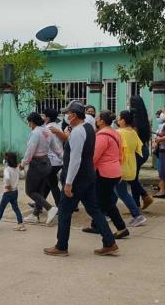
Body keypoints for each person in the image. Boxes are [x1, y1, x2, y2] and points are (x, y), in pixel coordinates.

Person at [44, 101, 118, 257]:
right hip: (88, 175)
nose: (66, 116)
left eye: (68, 113)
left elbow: (75, 159)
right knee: (94, 209)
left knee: (64, 212)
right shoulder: (88, 127)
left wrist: (68, 183)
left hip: (77, 179)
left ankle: (61, 246)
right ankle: (109, 242)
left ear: (74, 115)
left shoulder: (78, 132)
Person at [82, 111, 129, 239]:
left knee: (104, 202)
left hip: (104, 172)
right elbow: (120, 154)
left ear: (102, 121)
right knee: (103, 200)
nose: (96, 120)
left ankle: (121, 227)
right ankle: (97, 225)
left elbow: (94, 157)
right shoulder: (115, 133)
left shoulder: (102, 136)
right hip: (114, 171)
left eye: (97, 118)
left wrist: (85, 170)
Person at [21, 112, 62, 225]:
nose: (29, 125)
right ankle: (35, 214)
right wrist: (64, 159)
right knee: (40, 190)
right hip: (46, 163)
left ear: (32, 122)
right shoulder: (47, 132)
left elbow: (30, 150)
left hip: (36, 163)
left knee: (30, 191)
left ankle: (50, 208)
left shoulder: (35, 133)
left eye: (29, 123)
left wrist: (23, 163)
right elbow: (57, 149)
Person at [116, 110, 148, 229]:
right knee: (116, 191)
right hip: (130, 165)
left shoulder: (119, 133)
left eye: (119, 118)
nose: (118, 120)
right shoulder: (133, 132)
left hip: (121, 166)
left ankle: (137, 215)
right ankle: (107, 212)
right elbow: (139, 148)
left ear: (123, 120)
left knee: (121, 192)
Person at [0, 152, 25, 231]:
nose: (4, 160)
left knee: (1, 208)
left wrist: (8, 185)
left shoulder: (7, 170)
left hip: (8, 192)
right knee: (15, 208)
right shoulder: (17, 168)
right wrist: (22, 168)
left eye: (5, 158)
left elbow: (7, 178)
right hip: (15, 192)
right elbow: (23, 175)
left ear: (7, 160)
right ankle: (20, 224)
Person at [128, 96, 153, 210]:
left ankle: (145, 196)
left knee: (131, 178)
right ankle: (136, 204)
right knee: (134, 177)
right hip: (144, 150)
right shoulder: (143, 119)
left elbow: (133, 137)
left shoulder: (134, 120)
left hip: (137, 151)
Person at [41, 108, 63, 207]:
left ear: (48, 118)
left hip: (51, 161)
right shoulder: (57, 127)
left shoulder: (47, 129)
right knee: (48, 183)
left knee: (52, 184)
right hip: (58, 160)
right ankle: (40, 203)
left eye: (43, 116)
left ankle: (60, 206)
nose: (42, 117)